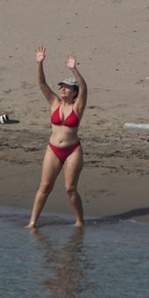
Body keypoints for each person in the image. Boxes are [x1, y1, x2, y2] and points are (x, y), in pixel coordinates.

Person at [27, 45, 87, 229]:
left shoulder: (78, 106)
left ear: (74, 92)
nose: (62, 89)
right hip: (53, 149)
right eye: (61, 86)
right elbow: (42, 84)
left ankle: (79, 221)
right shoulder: (54, 102)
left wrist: (74, 69)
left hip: (72, 150)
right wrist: (39, 64)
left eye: (67, 87)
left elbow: (84, 88)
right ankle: (32, 222)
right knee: (45, 186)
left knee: (70, 189)